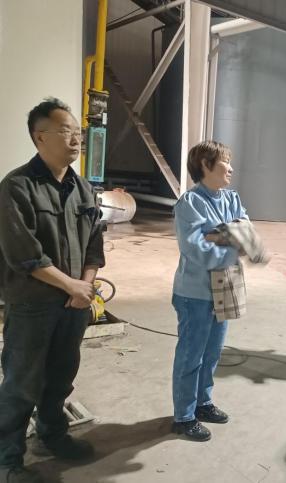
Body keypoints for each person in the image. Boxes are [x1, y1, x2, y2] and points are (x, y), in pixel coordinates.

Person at [0, 98, 105, 483]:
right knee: (21, 384)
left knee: (61, 376)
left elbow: (95, 246)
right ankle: (7, 461)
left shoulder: (84, 189)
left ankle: (52, 435)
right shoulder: (16, 187)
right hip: (33, 305)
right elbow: (24, 255)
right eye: (65, 131)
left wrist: (84, 286)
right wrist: (72, 285)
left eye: (78, 132)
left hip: (74, 304)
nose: (76, 139)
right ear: (39, 137)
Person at [171, 141, 247, 442]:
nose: (231, 168)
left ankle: (203, 402)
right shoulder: (190, 203)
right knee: (192, 355)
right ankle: (184, 416)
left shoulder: (231, 198)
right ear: (206, 164)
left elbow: (246, 232)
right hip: (196, 293)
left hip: (224, 287)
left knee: (213, 352)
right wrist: (230, 241)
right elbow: (196, 249)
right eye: (225, 161)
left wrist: (216, 234)